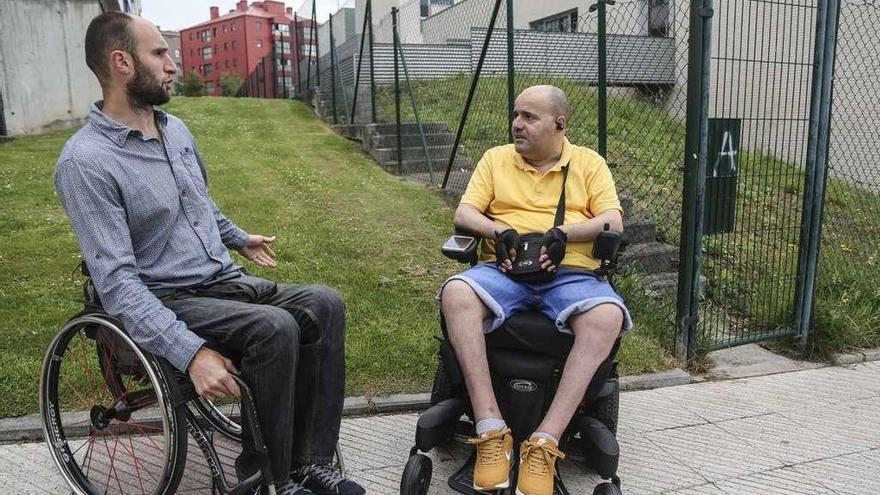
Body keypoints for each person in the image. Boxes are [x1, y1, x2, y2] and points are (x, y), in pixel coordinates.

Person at [54, 11, 364, 495]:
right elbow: (117, 286)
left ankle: (309, 465)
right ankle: (269, 482)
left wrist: (239, 238)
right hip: (165, 296)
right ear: (121, 63)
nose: (172, 63)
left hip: (220, 280)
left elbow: (198, 205)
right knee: (274, 328)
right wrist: (191, 352)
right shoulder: (86, 162)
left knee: (324, 304)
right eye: (159, 53)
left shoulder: (174, 130)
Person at [439, 85, 633, 495]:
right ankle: (491, 429)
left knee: (607, 315)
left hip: (571, 275)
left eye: (529, 117)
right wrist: (500, 230)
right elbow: (464, 212)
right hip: (504, 270)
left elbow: (613, 222)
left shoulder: (589, 164)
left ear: (559, 124)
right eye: (516, 114)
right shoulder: (496, 159)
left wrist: (564, 233)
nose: (516, 124)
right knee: (457, 291)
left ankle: (545, 442)